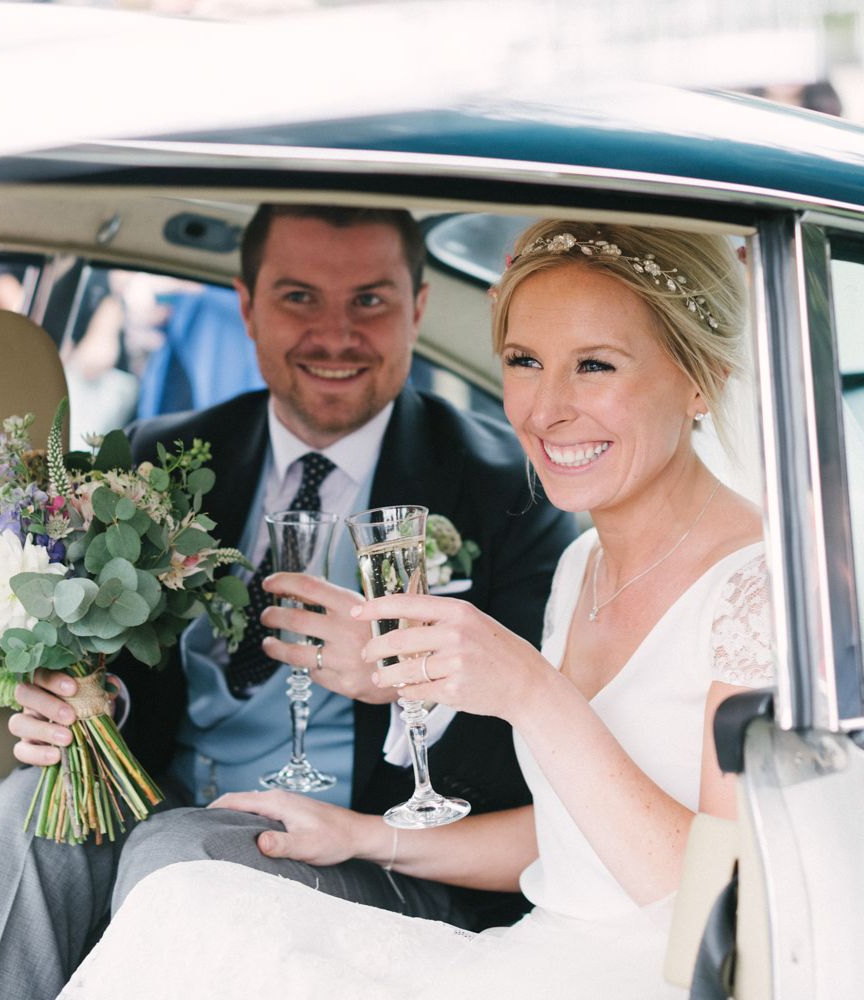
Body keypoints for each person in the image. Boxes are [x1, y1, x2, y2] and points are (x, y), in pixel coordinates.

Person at [57, 219, 774, 1000]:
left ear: (700, 377)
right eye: (524, 362)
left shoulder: (761, 586)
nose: (545, 409)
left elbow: (730, 910)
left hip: (652, 976)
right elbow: (575, 838)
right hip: (533, 947)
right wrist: (364, 836)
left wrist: (534, 694)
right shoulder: (584, 564)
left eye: (594, 365)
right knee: (191, 904)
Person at [0, 205, 575, 1000]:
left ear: (417, 309)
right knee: (29, 807)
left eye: (369, 300)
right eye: (299, 298)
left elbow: (539, 747)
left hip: (369, 852)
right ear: (247, 308)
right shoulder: (157, 456)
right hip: (171, 798)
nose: (335, 334)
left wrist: (405, 679)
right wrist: (87, 698)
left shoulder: (511, 494)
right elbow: (123, 672)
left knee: (181, 853)